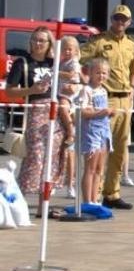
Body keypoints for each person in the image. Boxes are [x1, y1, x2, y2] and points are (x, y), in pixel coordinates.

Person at [81, 4, 134, 209]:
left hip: (125, 100)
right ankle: (93, 195)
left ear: (129, 22)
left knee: (120, 148)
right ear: (111, 19)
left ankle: (112, 193)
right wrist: (86, 81)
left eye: (124, 19)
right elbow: (79, 57)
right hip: (106, 97)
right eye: (116, 18)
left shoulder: (132, 45)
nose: (120, 22)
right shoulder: (100, 41)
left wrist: (132, 88)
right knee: (101, 145)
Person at [5, 26, 66, 209]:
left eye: (42, 40)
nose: (38, 44)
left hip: (55, 112)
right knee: (35, 157)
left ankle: (43, 206)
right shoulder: (23, 62)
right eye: (35, 40)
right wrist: (31, 90)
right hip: (35, 111)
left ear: (49, 44)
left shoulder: (54, 63)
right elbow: (9, 91)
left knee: (52, 159)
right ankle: (17, 202)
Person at [78, 58, 113, 203]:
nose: (101, 76)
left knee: (100, 169)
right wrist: (100, 113)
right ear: (90, 73)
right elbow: (82, 112)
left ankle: (95, 199)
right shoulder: (86, 90)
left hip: (104, 131)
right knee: (90, 168)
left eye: (104, 73)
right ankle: (87, 202)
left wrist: (109, 113)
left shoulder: (104, 90)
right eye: (98, 72)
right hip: (91, 131)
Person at [57, 34, 84, 199]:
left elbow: (73, 76)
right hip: (61, 95)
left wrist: (57, 72)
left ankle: (70, 131)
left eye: (70, 49)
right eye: (64, 49)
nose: (67, 52)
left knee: (63, 107)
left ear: (75, 51)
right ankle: (59, 182)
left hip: (69, 98)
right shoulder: (61, 62)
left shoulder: (73, 63)